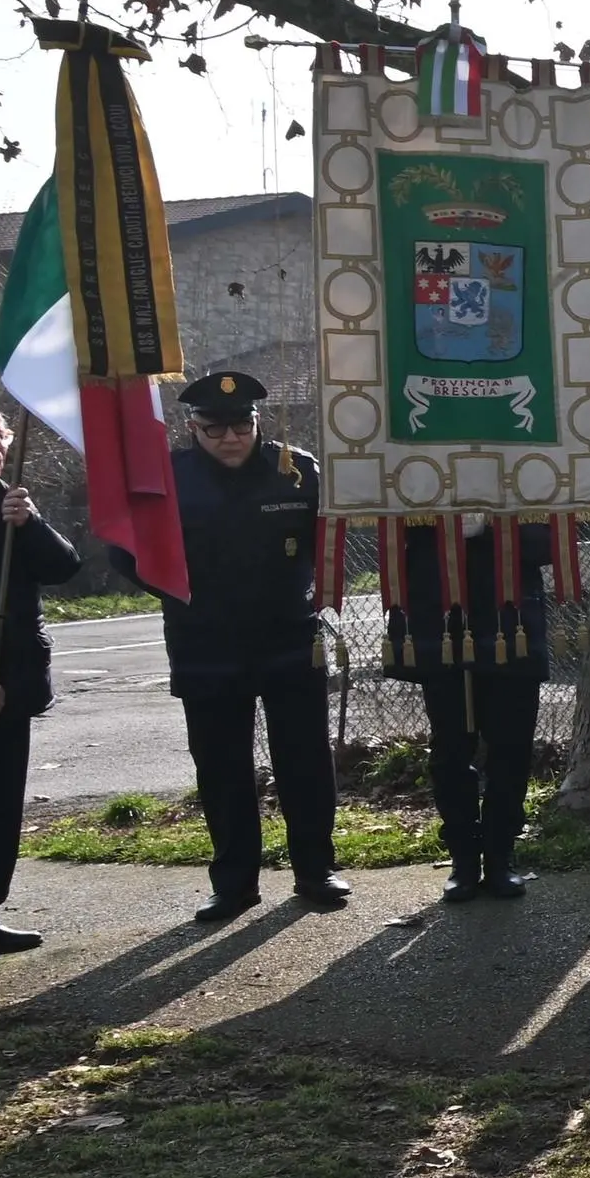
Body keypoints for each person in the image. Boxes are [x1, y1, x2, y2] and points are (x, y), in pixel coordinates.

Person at [129, 370, 347, 926]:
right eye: (215, 427)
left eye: (241, 425)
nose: (230, 437)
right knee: (222, 766)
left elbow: (333, 537)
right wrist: (184, 593)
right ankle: (233, 883)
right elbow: (128, 555)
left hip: (286, 637)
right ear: (192, 427)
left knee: (304, 760)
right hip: (206, 642)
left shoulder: (296, 471)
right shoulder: (167, 478)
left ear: (257, 422)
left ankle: (315, 870)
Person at [0, 402, 80, 968]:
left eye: (0, 432)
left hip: (14, 684)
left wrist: (30, 523)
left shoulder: (5, 503)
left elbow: (62, 568)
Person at [391, 507, 553, 903]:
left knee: (511, 747)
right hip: (441, 621)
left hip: (511, 621)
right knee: (450, 748)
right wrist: (436, 525)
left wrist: (494, 525)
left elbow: (547, 544)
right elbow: (393, 542)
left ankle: (501, 855)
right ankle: (463, 858)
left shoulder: (527, 473)